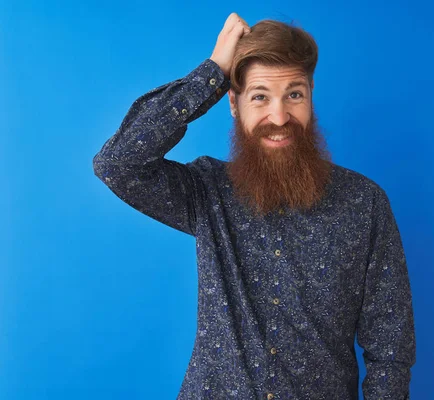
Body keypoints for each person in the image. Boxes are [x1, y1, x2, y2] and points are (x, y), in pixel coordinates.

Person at [93, 12, 416, 400]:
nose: (278, 117)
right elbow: (117, 163)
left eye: (293, 95)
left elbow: (390, 348)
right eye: (259, 96)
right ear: (233, 103)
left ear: (311, 95)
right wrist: (211, 73)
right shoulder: (207, 191)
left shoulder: (364, 203)